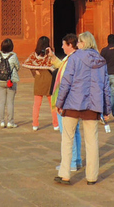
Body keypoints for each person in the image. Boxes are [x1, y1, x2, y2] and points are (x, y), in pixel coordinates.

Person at [54, 31, 111, 186]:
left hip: (73, 103)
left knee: (67, 139)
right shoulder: (101, 61)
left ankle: (65, 174)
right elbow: (106, 87)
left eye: (79, 42)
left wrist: (59, 103)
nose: (77, 44)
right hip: (93, 106)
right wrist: (106, 110)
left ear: (84, 43)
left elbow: (66, 82)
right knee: (92, 142)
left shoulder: (75, 58)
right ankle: (92, 176)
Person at [50, 34, 82, 172]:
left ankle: (71, 162)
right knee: (74, 132)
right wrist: (52, 57)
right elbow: (61, 67)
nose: (62, 47)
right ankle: (76, 160)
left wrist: (60, 102)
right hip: (71, 100)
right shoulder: (70, 58)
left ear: (70, 45)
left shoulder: (72, 60)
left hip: (67, 101)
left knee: (67, 134)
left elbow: (67, 81)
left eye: (64, 44)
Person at [22, 36, 59, 131]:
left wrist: (35, 71)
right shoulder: (50, 54)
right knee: (53, 104)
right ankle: (56, 124)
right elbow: (55, 65)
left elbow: (28, 64)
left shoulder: (34, 55)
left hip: (39, 80)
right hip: (49, 79)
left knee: (36, 104)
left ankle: (35, 124)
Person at [0, 38, 20, 128]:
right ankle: (10, 122)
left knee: (2, 101)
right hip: (10, 80)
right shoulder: (13, 56)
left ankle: (2, 121)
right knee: (10, 102)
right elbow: (17, 66)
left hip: (0, 80)